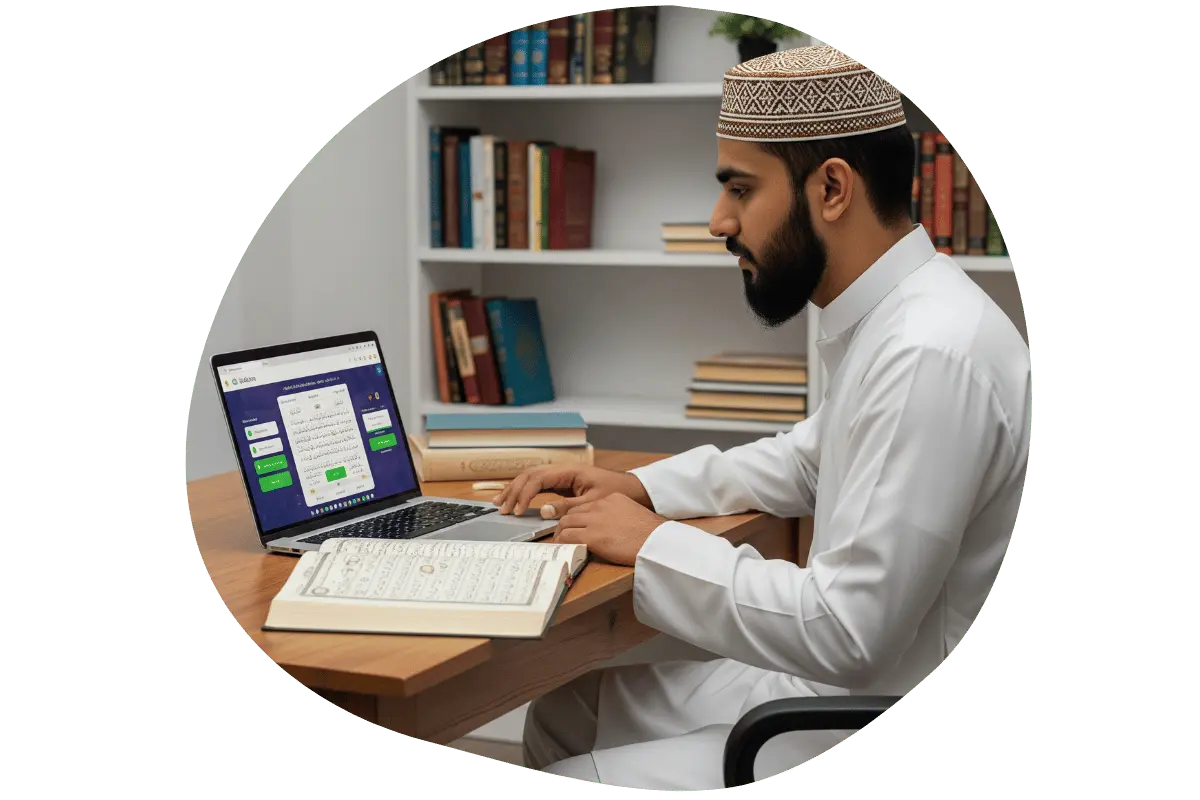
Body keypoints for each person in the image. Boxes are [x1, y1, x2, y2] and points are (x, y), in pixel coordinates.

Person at [490, 43, 1031, 791]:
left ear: (832, 188)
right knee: (566, 709)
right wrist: (635, 488)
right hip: (845, 694)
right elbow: (811, 458)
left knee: (573, 773)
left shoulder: (928, 351)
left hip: (875, 713)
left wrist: (651, 545)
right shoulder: (899, 316)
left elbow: (850, 635)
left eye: (740, 190)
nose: (718, 222)